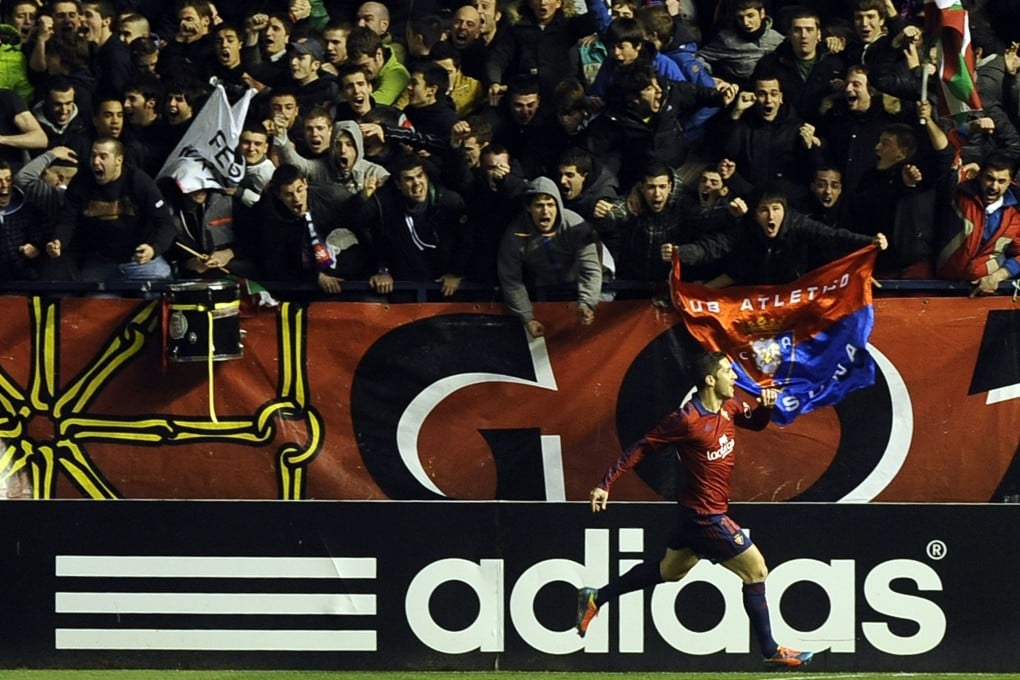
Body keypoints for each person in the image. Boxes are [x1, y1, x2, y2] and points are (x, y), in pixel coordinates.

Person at [575, 350, 813, 668]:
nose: (735, 377)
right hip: (705, 516)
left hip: (691, 515)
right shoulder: (686, 419)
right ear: (710, 380)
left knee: (669, 571)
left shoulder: (729, 406)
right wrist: (606, 483)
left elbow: (754, 424)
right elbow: (642, 445)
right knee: (756, 570)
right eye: (729, 371)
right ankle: (770, 649)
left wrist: (765, 409)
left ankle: (596, 596)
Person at [46, 137, 176, 281]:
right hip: (100, 261)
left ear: (118, 160)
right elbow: (67, 221)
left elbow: (166, 223)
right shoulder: (81, 182)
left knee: (159, 291)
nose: (96, 161)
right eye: (93, 155)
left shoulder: (139, 181)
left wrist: (153, 249)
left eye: (103, 157)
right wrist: (58, 241)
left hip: (139, 260)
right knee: (92, 301)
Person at [498, 176, 602, 338]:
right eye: (539, 205)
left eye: (550, 205)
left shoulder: (575, 225)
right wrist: (527, 318)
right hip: (542, 290)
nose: (545, 211)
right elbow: (511, 280)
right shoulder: (514, 234)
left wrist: (588, 303)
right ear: (528, 207)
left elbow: (590, 268)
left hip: (576, 286)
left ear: (558, 206)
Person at [936, 150, 1020, 295]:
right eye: (989, 178)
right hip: (942, 285)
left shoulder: (1015, 216)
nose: (994, 186)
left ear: (1010, 182)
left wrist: (996, 277)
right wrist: (963, 171)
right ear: (980, 176)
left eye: (1001, 181)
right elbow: (947, 160)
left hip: (985, 292)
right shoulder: (959, 196)